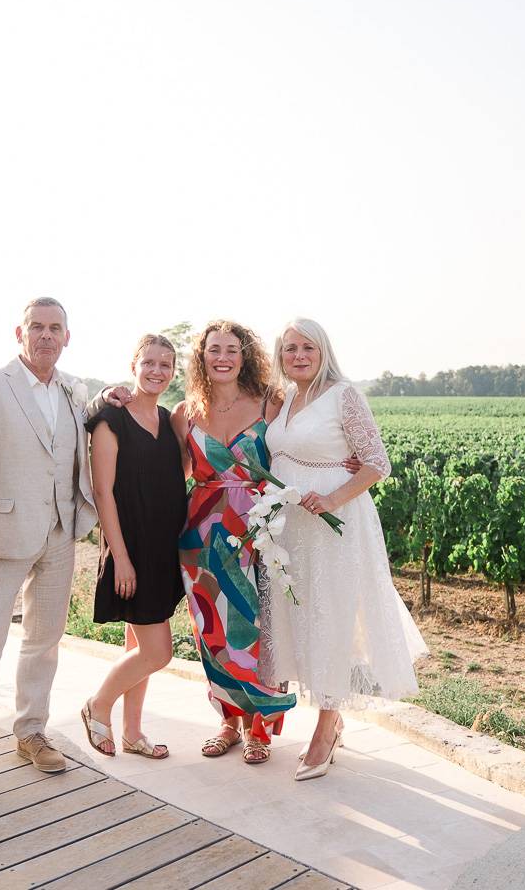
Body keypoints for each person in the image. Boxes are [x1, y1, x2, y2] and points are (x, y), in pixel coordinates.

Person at [0, 297, 131, 800]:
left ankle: (30, 732)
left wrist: (111, 395)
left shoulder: (75, 390)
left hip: (59, 534)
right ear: (19, 333)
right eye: (37, 327)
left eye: (55, 328)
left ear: (67, 337)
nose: (46, 335)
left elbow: (84, 430)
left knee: (44, 642)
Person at [172, 321, 360, 765]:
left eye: (231, 350)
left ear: (245, 356)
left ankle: (262, 729)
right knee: (212, 632)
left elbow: (302, 443)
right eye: (214, 349)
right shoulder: (184, 412)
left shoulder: (269, 403)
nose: (223, 357)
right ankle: (228, 722)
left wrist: (341, 464)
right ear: (201, 356)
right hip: (200, 533)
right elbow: (170, 471)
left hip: (261, 531)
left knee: (264, 630)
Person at [262, 317, 428, 781]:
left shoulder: (344, 394)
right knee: (300, 616)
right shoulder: (287, 397)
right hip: (289, 529)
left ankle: (328, 725)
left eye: (307, 347)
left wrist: (331, 498)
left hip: (331, 525)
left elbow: (377, 463)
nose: (298, 355)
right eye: (290, 348)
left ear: (323, 351)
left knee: (331, 617)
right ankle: (322, 715)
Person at [80, 335, 187, 759]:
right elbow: (103, 493)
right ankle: (97, 705)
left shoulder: (167, 419)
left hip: (164, 548)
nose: (157, 370)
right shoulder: (112, 417)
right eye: (149, 362)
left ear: (173, 371)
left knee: (137, 646)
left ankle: (133, 732)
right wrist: (120, 559)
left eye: (166, 364)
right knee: (158, 652)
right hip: (131, 549)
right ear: (133, 365)